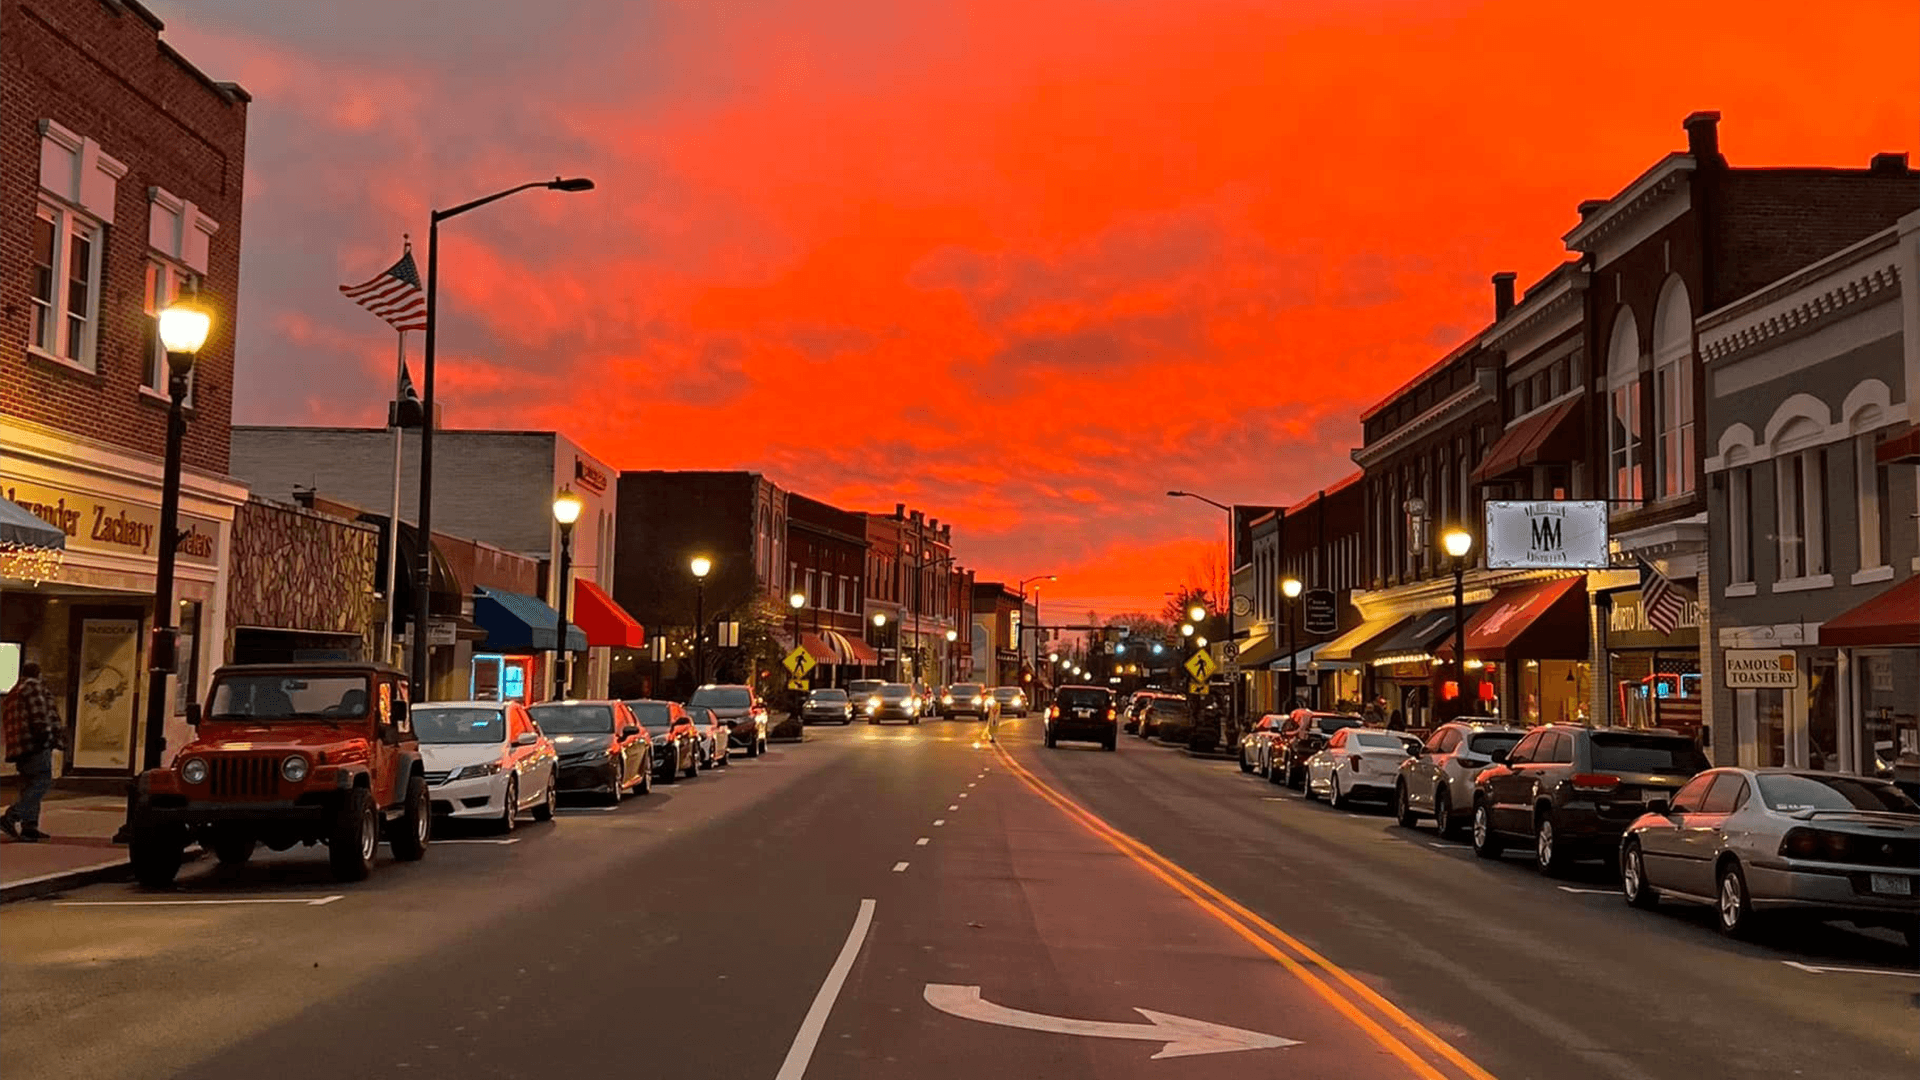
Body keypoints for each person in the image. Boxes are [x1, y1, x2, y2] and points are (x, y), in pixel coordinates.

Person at [3, 662, 67, 842]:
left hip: (18, 748)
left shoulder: (13, 692)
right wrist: (50, 738)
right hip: (35, 744)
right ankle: (12, 816)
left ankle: (29, 828)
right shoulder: (33, 687)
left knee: (29, 785)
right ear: (37, 674)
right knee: (43, 781)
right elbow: (39, 717)